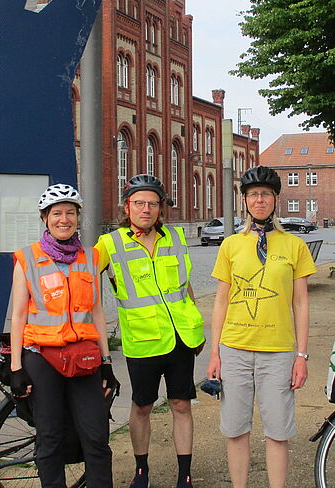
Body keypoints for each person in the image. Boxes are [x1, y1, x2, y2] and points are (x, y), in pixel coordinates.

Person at [206, 166, 315, 488]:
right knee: (236, 429)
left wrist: (302, 356)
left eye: (266, 194)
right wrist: (215, 352)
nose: (260, 200)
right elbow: (221, 302)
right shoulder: (230, 245)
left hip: (278, 351)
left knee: (277, 431)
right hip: (234, 348)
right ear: (244, 201)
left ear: (275, 199)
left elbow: (301, 304)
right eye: (253, 194)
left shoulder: (294, 245)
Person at [96, 174, 205, 488]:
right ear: (127, 206)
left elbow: (185, 287)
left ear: (161, 208)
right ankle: (141, 470)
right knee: (142, 406)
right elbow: (81, 277)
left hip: (182, 338)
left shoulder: (175, 238)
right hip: (143, 340)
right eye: (139, 203)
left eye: (153, 203)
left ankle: (185, 476)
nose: (146, 209)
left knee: (181, 404)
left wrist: (196, 326)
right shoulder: (109, 243)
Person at [9, 183, 119, 488]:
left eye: (70, 213)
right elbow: (18, 315)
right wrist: (16, 367)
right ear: (45, 218)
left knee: (96, 436)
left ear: (78, 217)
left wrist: (107, 361)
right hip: (42, 358)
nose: (64, 219)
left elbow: (96, 311)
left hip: (84, 356)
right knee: (49, 437)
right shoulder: (27, 258)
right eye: (56, 213)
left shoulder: (91, 257)